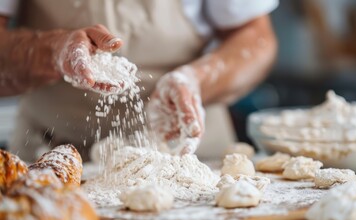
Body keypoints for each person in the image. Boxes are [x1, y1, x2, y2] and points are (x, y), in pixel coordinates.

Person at [0, 0, 278, 161]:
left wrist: (196, 79)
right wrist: (52, 51)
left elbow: (256, 37)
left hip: (193, 156)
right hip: (51, 158)